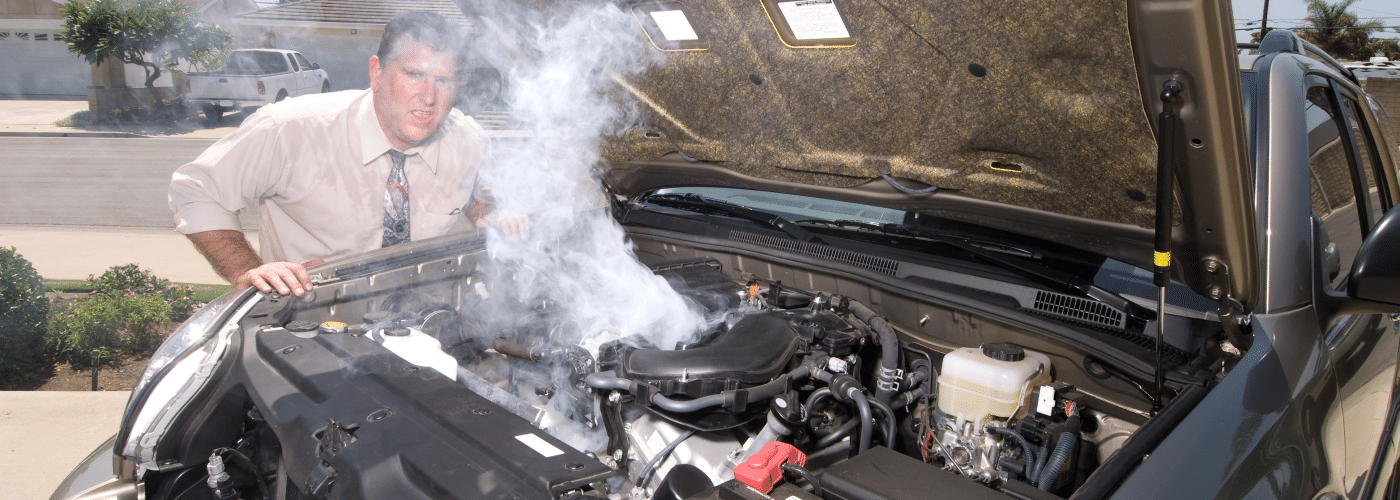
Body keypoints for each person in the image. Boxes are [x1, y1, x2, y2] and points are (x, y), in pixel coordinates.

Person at [170, 11, 501, 297]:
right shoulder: (290, 129)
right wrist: (245, 270)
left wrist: (490, 215)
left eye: (444, 80)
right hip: (311, 326)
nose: (429, 97)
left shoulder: (467, 139)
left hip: (423, 321)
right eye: (414, 74)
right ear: (377, 72)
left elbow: (476, 192)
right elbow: (197, 190)